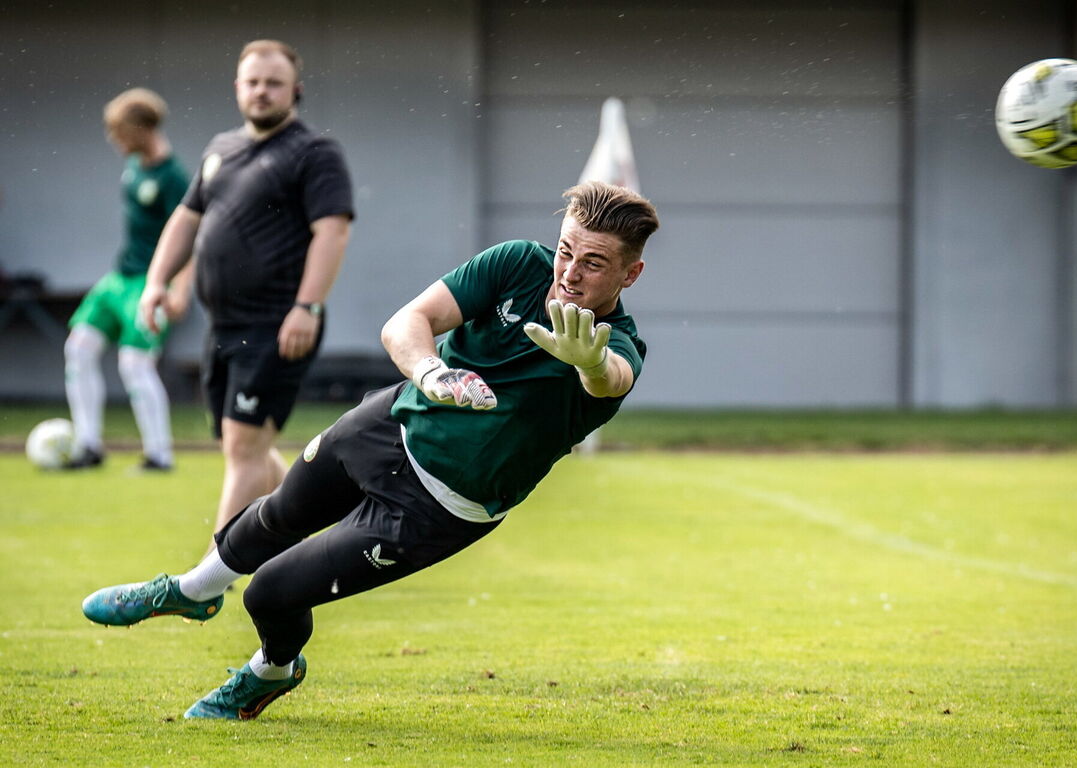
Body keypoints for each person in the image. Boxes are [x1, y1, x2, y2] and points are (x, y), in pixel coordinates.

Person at [82, 181, 660, 720]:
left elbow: (610, 379)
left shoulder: (622, 347)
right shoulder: (516, 264)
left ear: (629, 274)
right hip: (390, 423)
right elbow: (408, 321)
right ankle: (190, 591)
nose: (570, 274)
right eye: (566, 252)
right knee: (278, 513)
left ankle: (272, 670)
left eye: (593, 263)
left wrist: (587, 360)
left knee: (271, 594)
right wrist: (430, 372)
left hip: (437, 508)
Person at [138, 39, 354, 538]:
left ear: (294, 91)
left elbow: (333, 231)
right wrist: (155, 282)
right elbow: (185, 220)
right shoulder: (221, 149)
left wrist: (307, 306)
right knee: (245, 449)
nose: (261, 92)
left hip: (277, 322)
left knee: (244, 449)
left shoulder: (314, 152)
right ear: (238, 88)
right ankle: (323, 522)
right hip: (224, 324)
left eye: (273, 83)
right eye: (252, 82)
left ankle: (212, 573)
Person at [64, 88, 192, 470]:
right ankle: (88, 445)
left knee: (135, 363)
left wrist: (180, 290)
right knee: (79, 348)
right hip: (119, 277)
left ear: (142, 128)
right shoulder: (134, 167)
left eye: (119, 130)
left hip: (152, 282)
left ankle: (159, 455)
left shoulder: (173, 178)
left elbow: (190, 237)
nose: (113, 139)